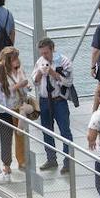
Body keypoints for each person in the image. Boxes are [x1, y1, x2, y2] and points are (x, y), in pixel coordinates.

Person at [33, 37, 74, 173]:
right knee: (47, 131)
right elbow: (34, 81)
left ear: (52, 49)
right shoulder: (40, 62)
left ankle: (68, 162)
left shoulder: (64, 61)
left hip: (59, 100)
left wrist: (52, 73)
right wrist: (40, 72)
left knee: (65, 131)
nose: (44, 56)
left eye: (46, 53)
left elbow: (68, 82)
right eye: (42, 53)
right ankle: (51, 159)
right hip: (44, 100)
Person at [0, 55, 23, 180]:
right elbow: (12, 102)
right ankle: (7, 170)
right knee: (6, 143)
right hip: (7, 116)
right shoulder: (9, 85)